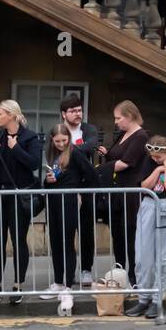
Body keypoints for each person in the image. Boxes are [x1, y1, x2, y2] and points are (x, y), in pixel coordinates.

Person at [0, 100, 40, 303]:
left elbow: (34, 163)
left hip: (18, 196)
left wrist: (16, 148)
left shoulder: (29, 137)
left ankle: (18, 284)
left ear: (11, 115)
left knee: (18, 240)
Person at [127, 135, 166, 318]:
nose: (154, 159)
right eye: (152, 156)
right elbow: (145, 185)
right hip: (148, 205)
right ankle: (143, 298)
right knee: (143, 256)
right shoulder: (149, 161)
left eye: (158, 156)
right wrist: (158, 168)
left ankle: (157, 299)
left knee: (163, 257)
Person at [42, 123, 98, 296]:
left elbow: (91, 176)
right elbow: (48, 182)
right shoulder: (51, 154)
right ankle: (58, 282)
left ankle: (67, 285)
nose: (61, 144)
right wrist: (47, 181)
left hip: (69, 201)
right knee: (55, 241)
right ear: (52, 140)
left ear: (69, 139)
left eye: (64, 140)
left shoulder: (76, 153)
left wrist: (78, 190)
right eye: (57, 141)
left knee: (67, 241)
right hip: (53, 201)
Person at [101, 100, 152, 286]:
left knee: (130, 234)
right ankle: (120, 270)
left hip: (131, 194)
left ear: (129, 116)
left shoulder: (140, 136)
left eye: (118, 118)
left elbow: (126, 162)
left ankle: (134, 275)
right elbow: (114, 156)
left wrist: (101, 169)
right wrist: (107, 155)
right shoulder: (123, 134)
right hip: (117, 191)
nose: (116, 122)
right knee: (118, 234)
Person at [58, 93, 101, 286]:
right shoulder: (59, 130)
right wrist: (76, 149)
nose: (78, 114)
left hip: (86, 186)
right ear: (63, 114)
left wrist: (69, 150)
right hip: (66, 187)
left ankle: (86, 270)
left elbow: (91, 146)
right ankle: (67, 273)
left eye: (79, 110)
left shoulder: (88, 129)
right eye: (73, 111)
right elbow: (54, 154)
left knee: (86, 230)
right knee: (67, 231)